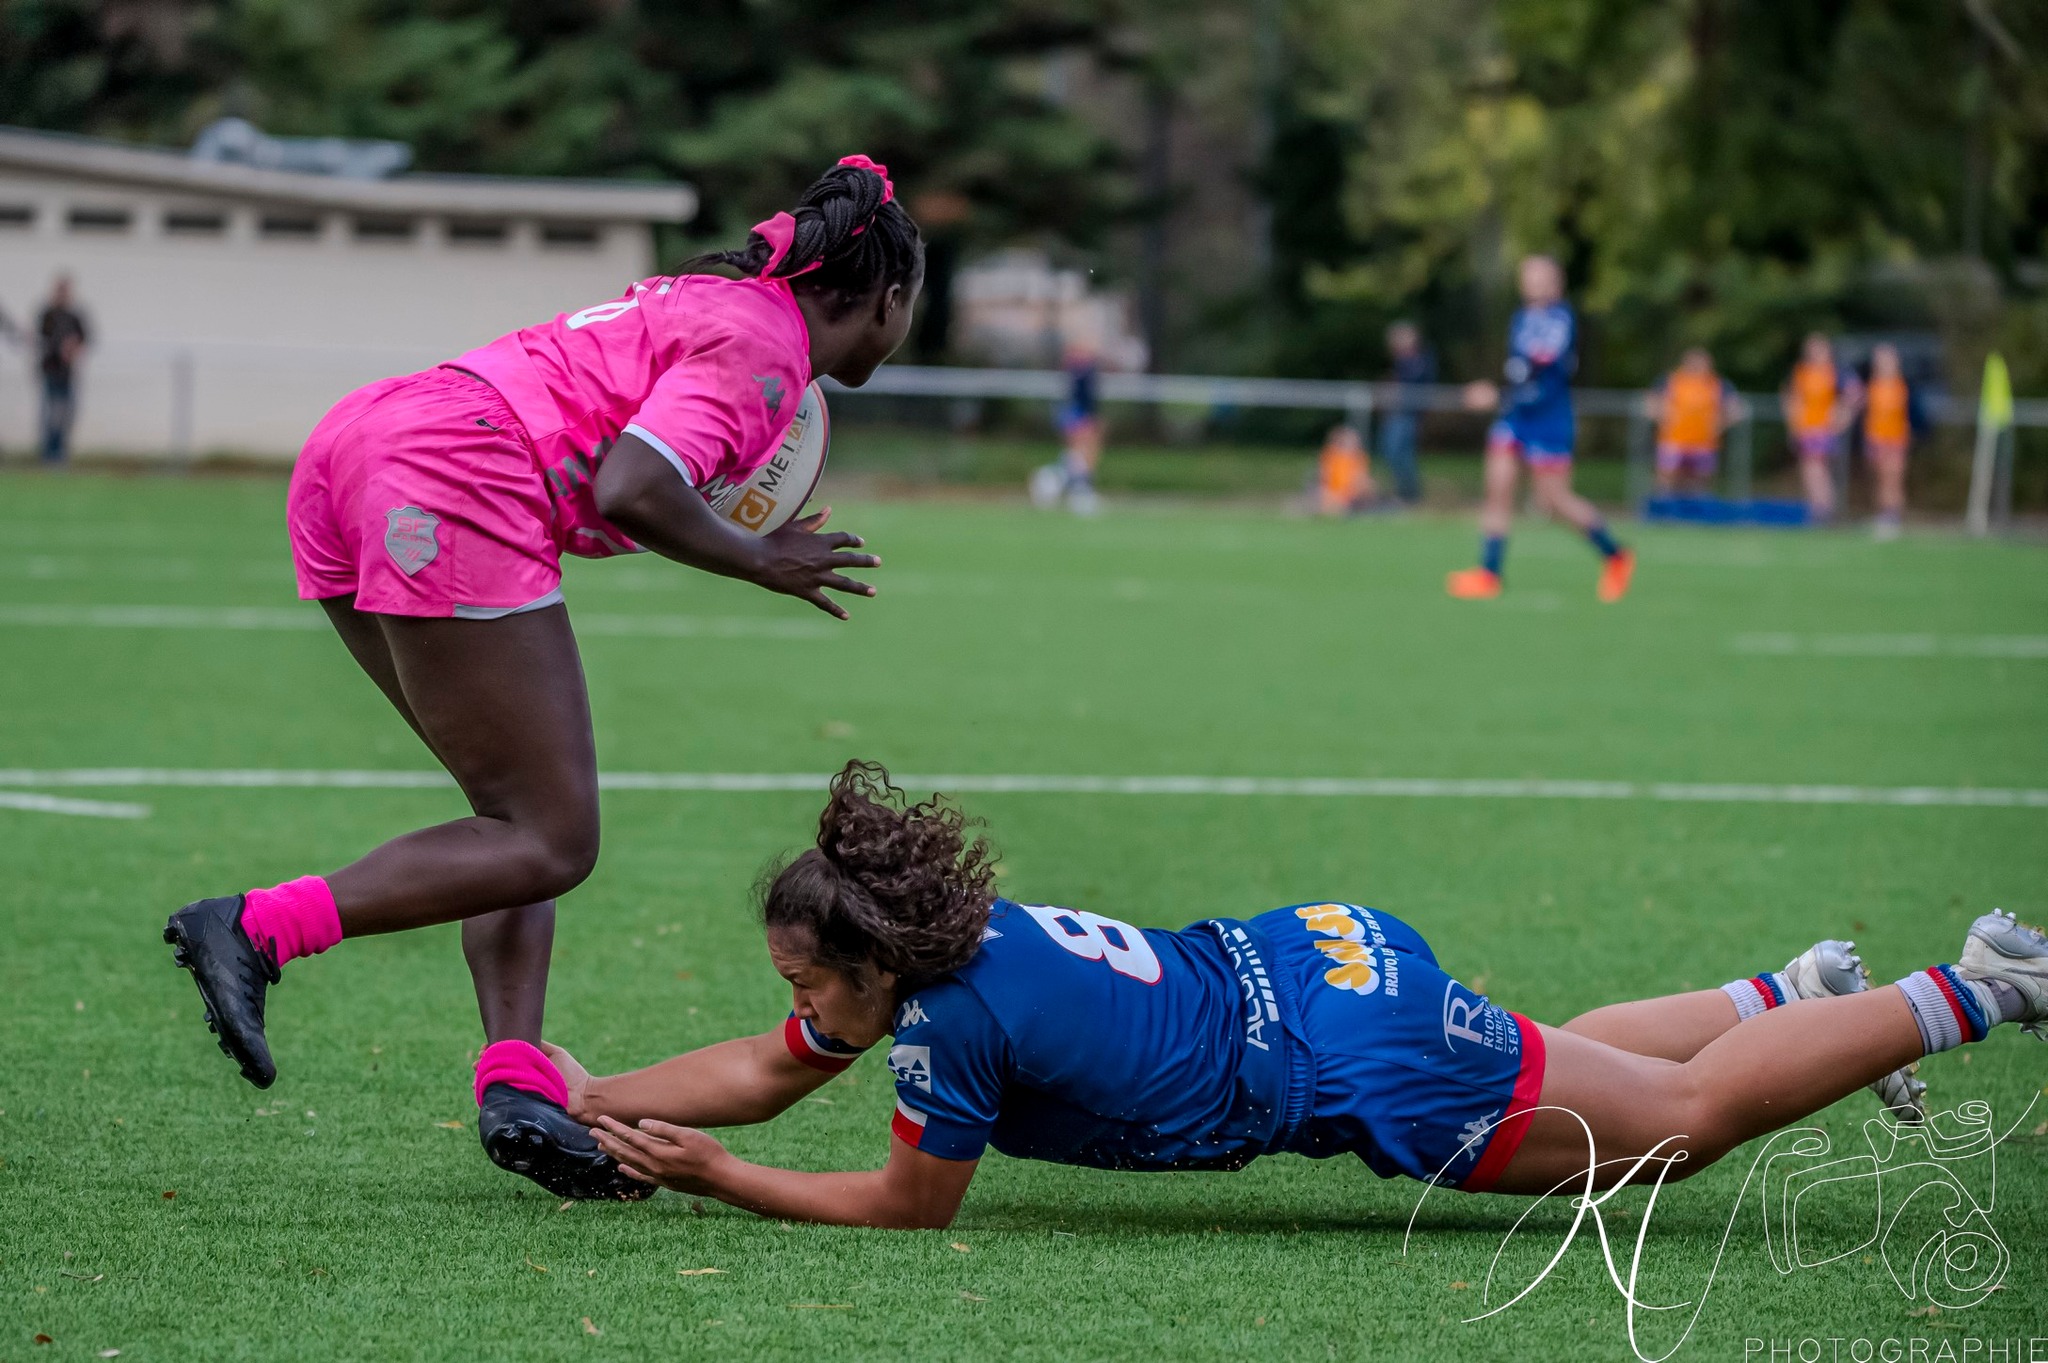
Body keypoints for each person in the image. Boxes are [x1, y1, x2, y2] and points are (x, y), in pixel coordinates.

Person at [161, 157, 922, 1201]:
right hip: (455, 472)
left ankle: (517, 1082)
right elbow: (635, 482)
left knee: (507, 829)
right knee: (552, 836)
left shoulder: (712, 302)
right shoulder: (765, 355)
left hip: (362, 441)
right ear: (886, 298)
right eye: (909, 309)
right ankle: (256, 927)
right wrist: (762, 559)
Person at [546, 764, 2038, 1228]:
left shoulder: (947, 1026)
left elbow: (909, 1206)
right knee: (1560, 1056)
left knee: (1670, 1136)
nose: (797, 1000)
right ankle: (1788, 991)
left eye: (810, 977)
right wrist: (587, 1092)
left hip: (1341, 1048)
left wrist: (722, 1174)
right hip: (1316, 949)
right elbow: (765, 1058)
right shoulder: (947, 944)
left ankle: (1970, 987)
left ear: (875, 965)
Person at [1446, 256, 1634, 603]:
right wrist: (1502, 395)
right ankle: (1489, 573)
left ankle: (1615, 555)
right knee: (1497, 487)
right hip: (1517, 416)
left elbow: (1538, 372)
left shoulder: (1561, 320)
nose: (1530, 281)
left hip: (1549, 418)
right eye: (1527, 275)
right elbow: (1517, 370)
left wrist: (1496, 394)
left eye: (1538, 276)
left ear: (1555, 283)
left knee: (1555, 501)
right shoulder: (1520, 319)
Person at [1646, 347, 1743, 495]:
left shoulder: (1717, 384)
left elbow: (1736, 410)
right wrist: (1664, 418)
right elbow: (1650, 403)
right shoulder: (1671, 381)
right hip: (1674, 441)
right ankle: (1665, 510)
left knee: (1700, 482)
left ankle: (1696, 512)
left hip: (1704, 442)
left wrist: (1719, 424)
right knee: (1667, 479)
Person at [1780, 333, 1855, 521]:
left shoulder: (1834, 372)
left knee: (1815, 468)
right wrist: (1793, 424)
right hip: (1805, 428)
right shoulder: (1801, 372)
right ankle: (1820, 508)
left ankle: (1822, 509)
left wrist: (1843, 415)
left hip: (1823, 429)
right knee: (1811, 468)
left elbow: (1855, 393)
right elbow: (1790, 396)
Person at [1030, 341, 1103, 515]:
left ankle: (1063, 485)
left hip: (1079, 415)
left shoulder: (1084, 371)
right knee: (1081, 456)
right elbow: (1080, 400)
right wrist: (1085, 421)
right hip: (1077, 415)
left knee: (1080, 456)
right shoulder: (1079, 372)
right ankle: (1077, 492)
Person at [1849, 343, 1912, 539]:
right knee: (1880, 481)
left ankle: (1893, 518)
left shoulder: (1900, 386)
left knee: (1892, 480)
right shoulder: (1871, 386)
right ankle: (1884, 516)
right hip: (1875, 440)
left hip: (1893, 440)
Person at [1377, 321, 1434, 504]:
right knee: (1390, 451)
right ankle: (1401, 492)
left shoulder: (1420, 360)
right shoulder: (1400, 361)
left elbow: (1414, 384)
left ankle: (1409, 495)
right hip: (1395, 414)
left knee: (1402, 453)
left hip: (1408, 414)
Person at [37, 275, 90, 465]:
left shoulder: (74, 316)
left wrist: (74, 347)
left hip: (68, 374)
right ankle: (48, 455)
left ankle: (60, 454)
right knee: (50, 415)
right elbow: (42, 340)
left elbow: (85, 338)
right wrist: (60, 347)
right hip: (51, 372)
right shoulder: (48, 314)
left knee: (66, 415)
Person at [1314, 423, 1375, 515]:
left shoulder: (1359, 458)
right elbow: (1324, 479)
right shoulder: (1330, 456)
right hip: (1335, 494)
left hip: (1352, 494)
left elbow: (1361, 479)